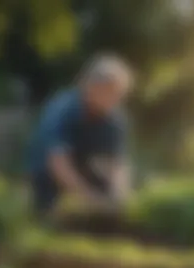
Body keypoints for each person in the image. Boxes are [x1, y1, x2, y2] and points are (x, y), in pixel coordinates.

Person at [27, 54, 133, 216]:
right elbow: (58, 163)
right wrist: (89, 198)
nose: (116, 99)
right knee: (50, 212)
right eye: (111, 92)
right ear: (91, 87)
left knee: (109, 194)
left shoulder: (114, 118)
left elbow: (116, 163)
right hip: (47, 175)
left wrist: (119, 193)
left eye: (119, 94)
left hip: (83, 166)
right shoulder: (64, 109)